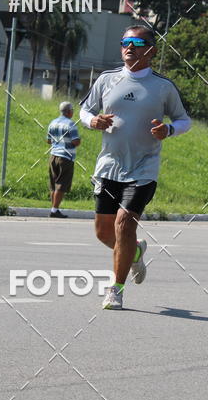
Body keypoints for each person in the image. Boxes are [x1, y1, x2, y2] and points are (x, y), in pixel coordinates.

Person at [79, 25, 192, 310]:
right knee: (104, 233)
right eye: (125, 42)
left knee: (124, 223)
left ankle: (115, 290)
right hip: (108, 166)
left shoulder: (163, 86)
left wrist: (168, 130)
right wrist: (92, 121)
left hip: (143, 167)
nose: (129, 47)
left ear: (151, 50)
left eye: (137, 42)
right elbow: (85, 109)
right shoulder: (107, 79)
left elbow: (184, 120)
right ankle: (136, 253)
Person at [46, 101, 80, 218]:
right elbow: (76, 142)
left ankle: (54, 208)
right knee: (61, 184)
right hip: (65, 157)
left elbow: (49, 140)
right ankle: (54, 210)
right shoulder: (71, 124)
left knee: (53, 183)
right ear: (69, 112)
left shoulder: (52, 123)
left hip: (53, 155)